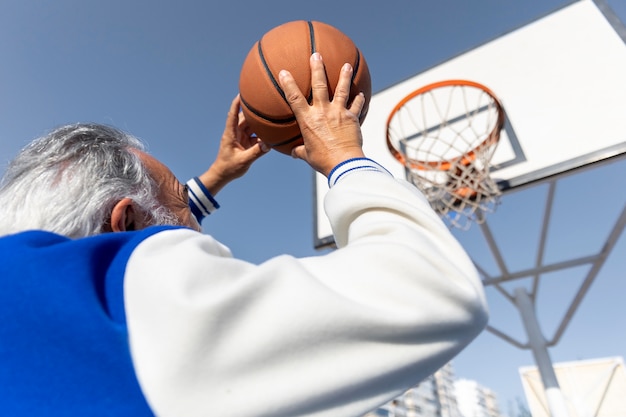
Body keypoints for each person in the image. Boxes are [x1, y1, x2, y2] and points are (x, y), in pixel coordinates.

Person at [0, 53, 488, 417]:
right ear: (123, 225)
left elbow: (136, 222)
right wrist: (344, 156)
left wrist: (215, 177)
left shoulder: (28, 283)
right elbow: (435, 290)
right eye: (181, 204)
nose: (194, 217)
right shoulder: (122, 314)